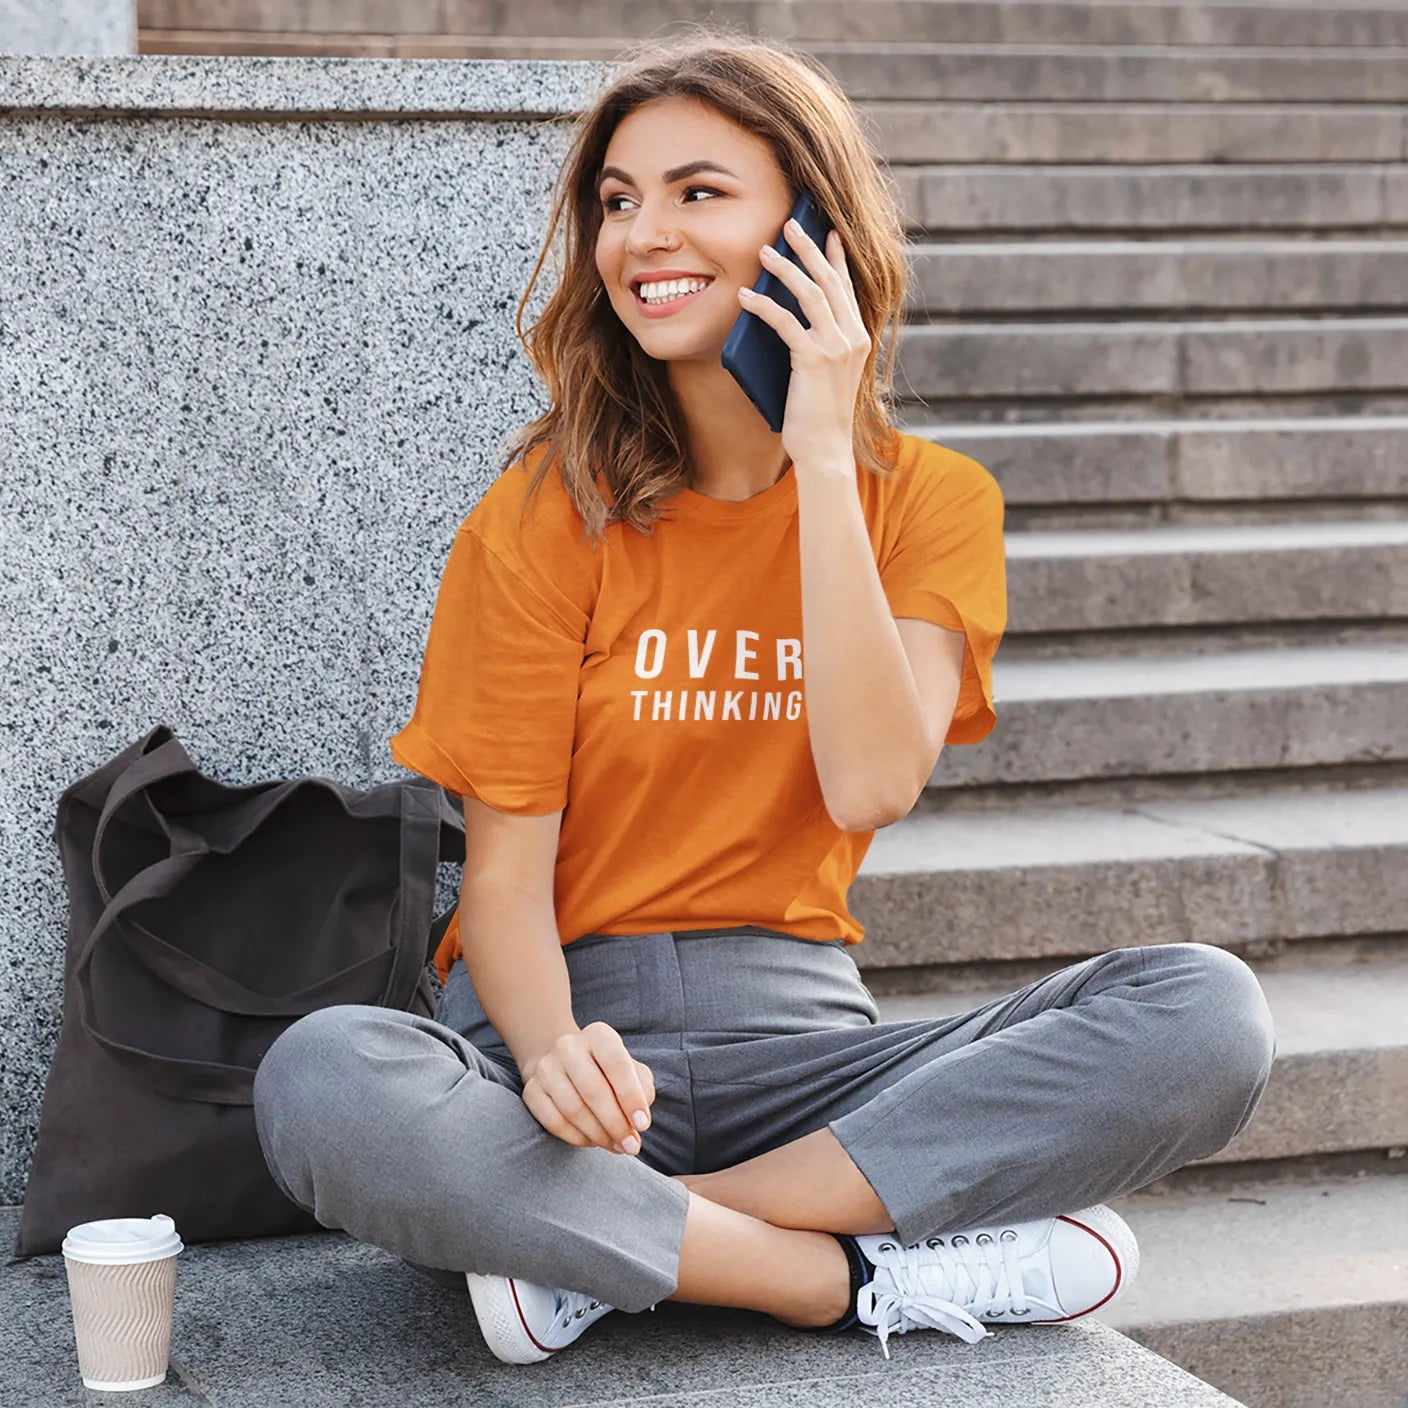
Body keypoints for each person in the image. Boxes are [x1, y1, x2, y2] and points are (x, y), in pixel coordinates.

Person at [251, 29, 1277, 1367]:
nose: (640, 235)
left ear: (814, 233)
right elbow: (502, 882)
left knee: (1204, 1016)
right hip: (568, 1053)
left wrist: (823, 458)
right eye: (617, 201)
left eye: (697, 191)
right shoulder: (547, 512)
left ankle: (602, 1246)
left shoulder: (931, 505)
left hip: (807, 1064)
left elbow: (870, 782)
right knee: (321, 1079)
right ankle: (825, 1278)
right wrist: (557, 1054)